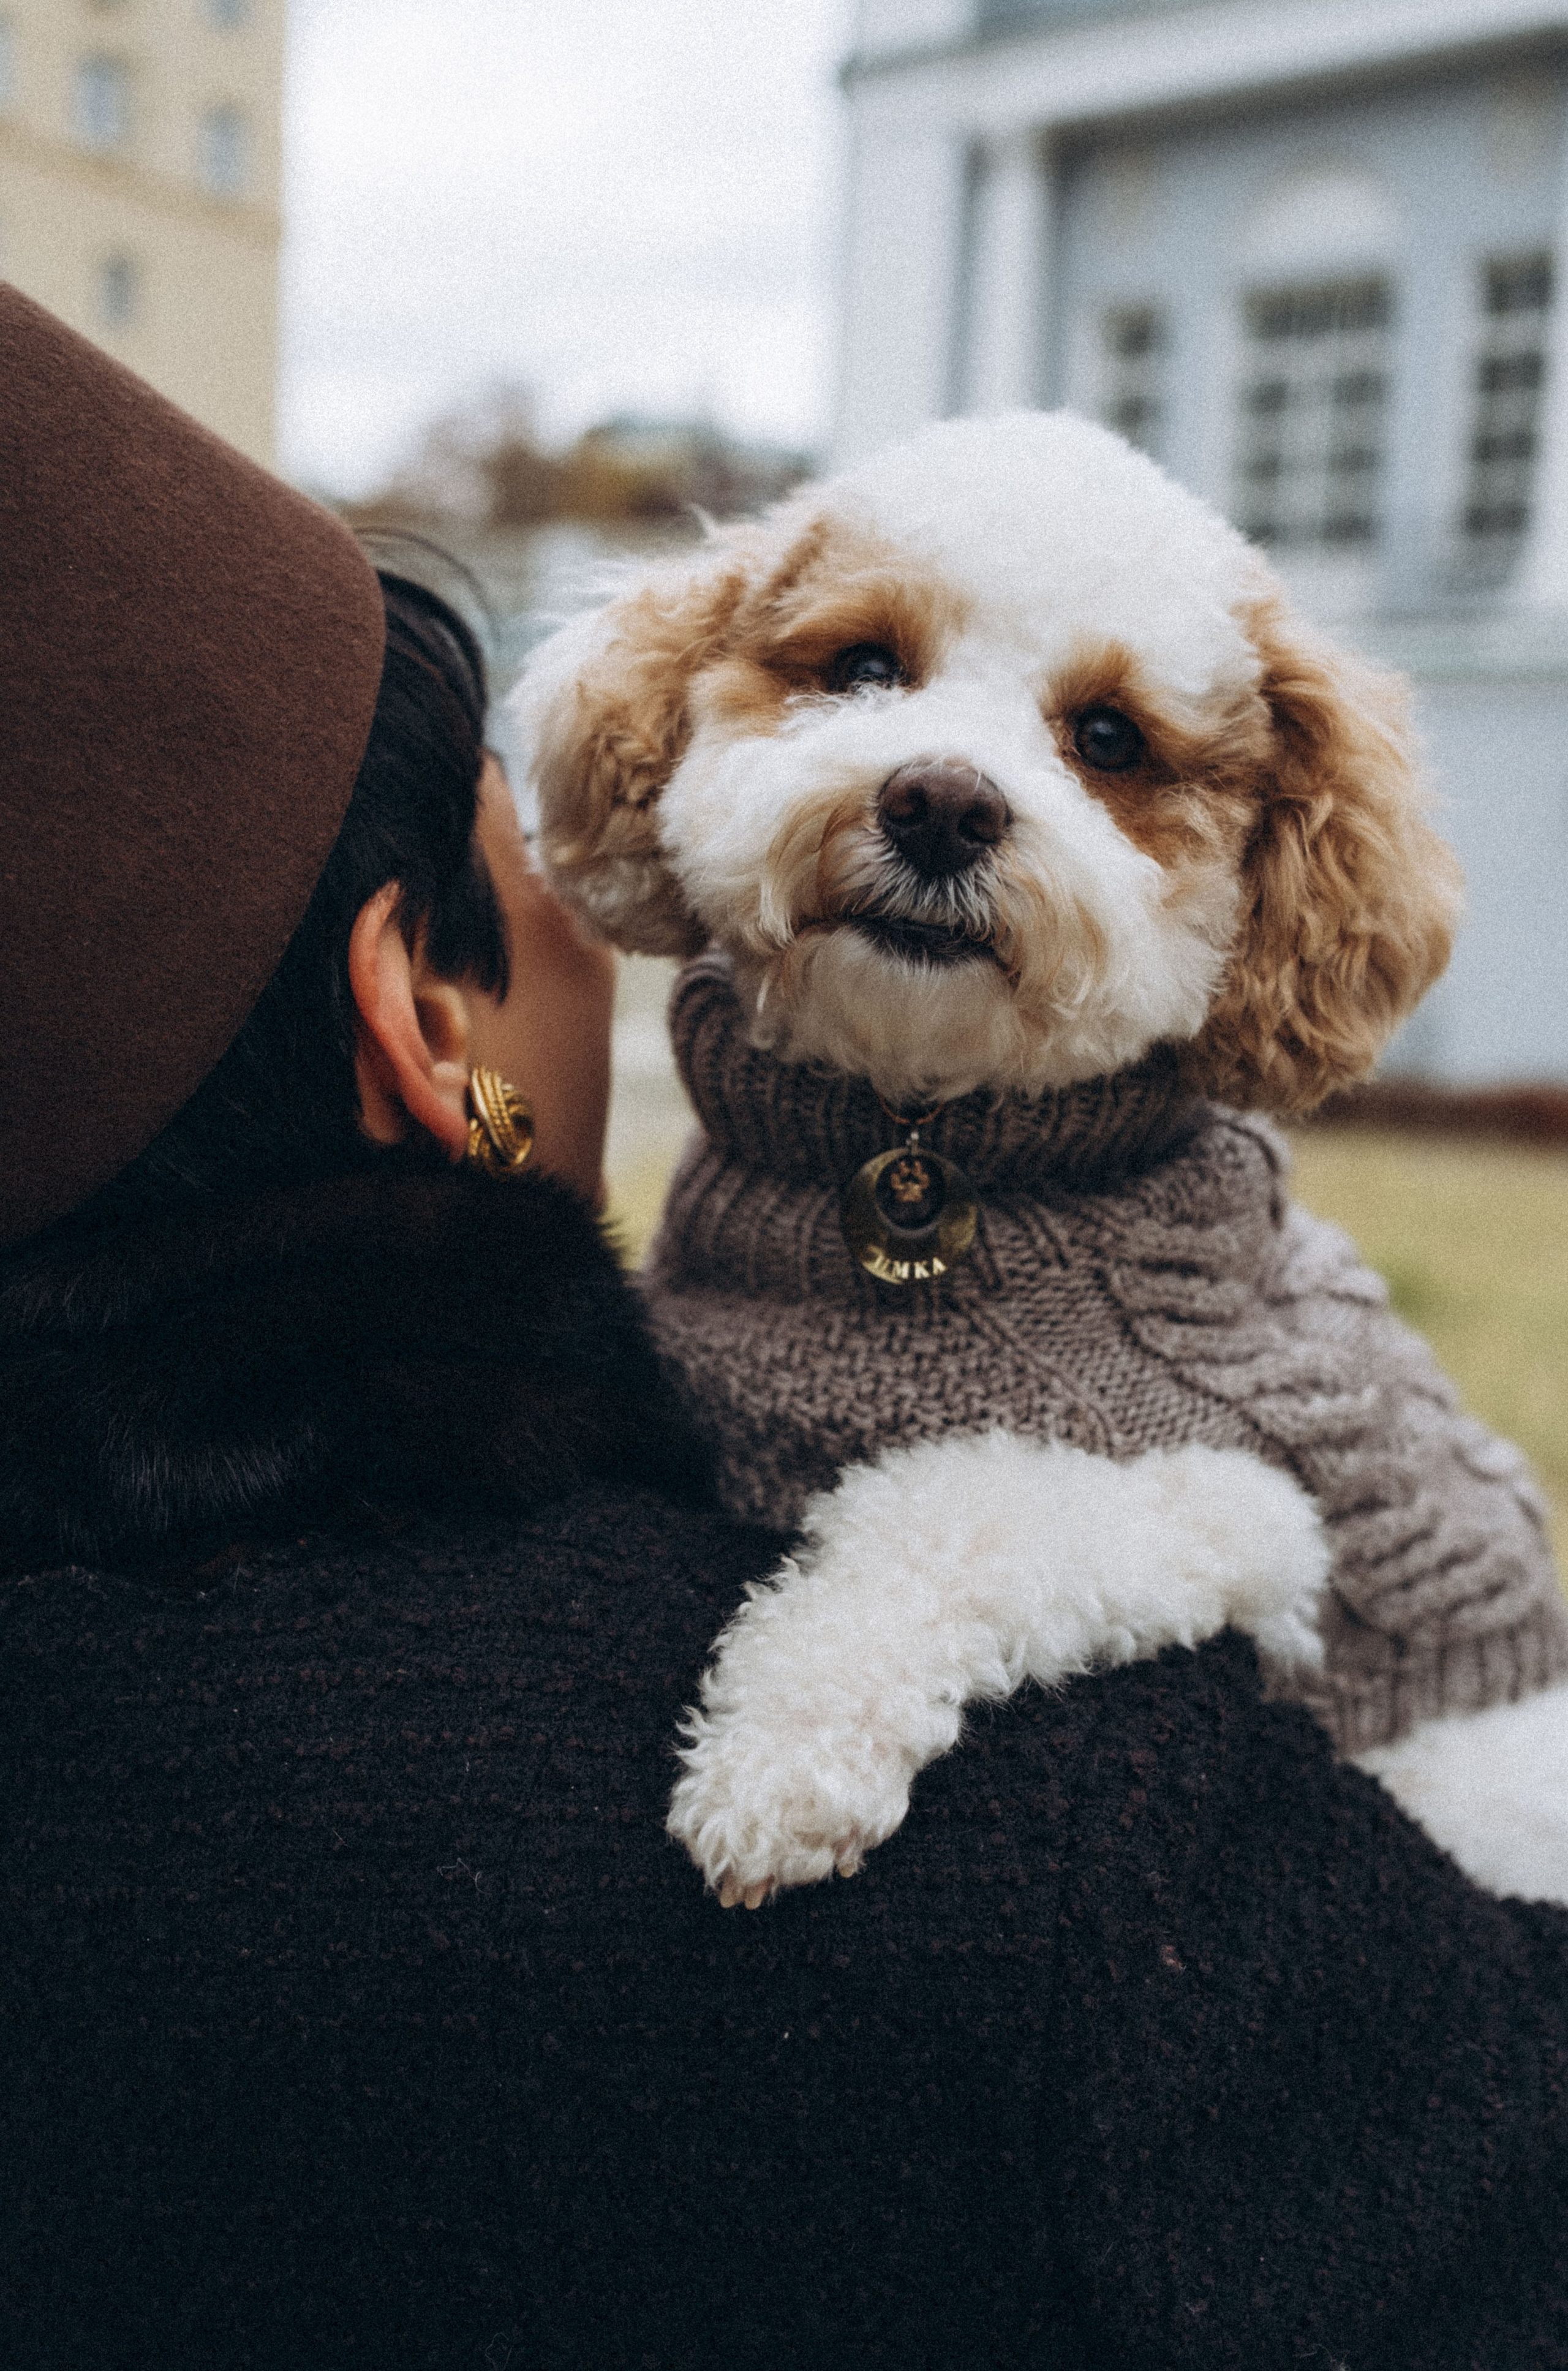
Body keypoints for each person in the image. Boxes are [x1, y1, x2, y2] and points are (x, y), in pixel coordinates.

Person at [1, 284, 1566, 2371]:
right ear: (419, 1017)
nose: (951, 778)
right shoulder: (1091, 1885)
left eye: (1104, 741)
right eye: (864, 670)